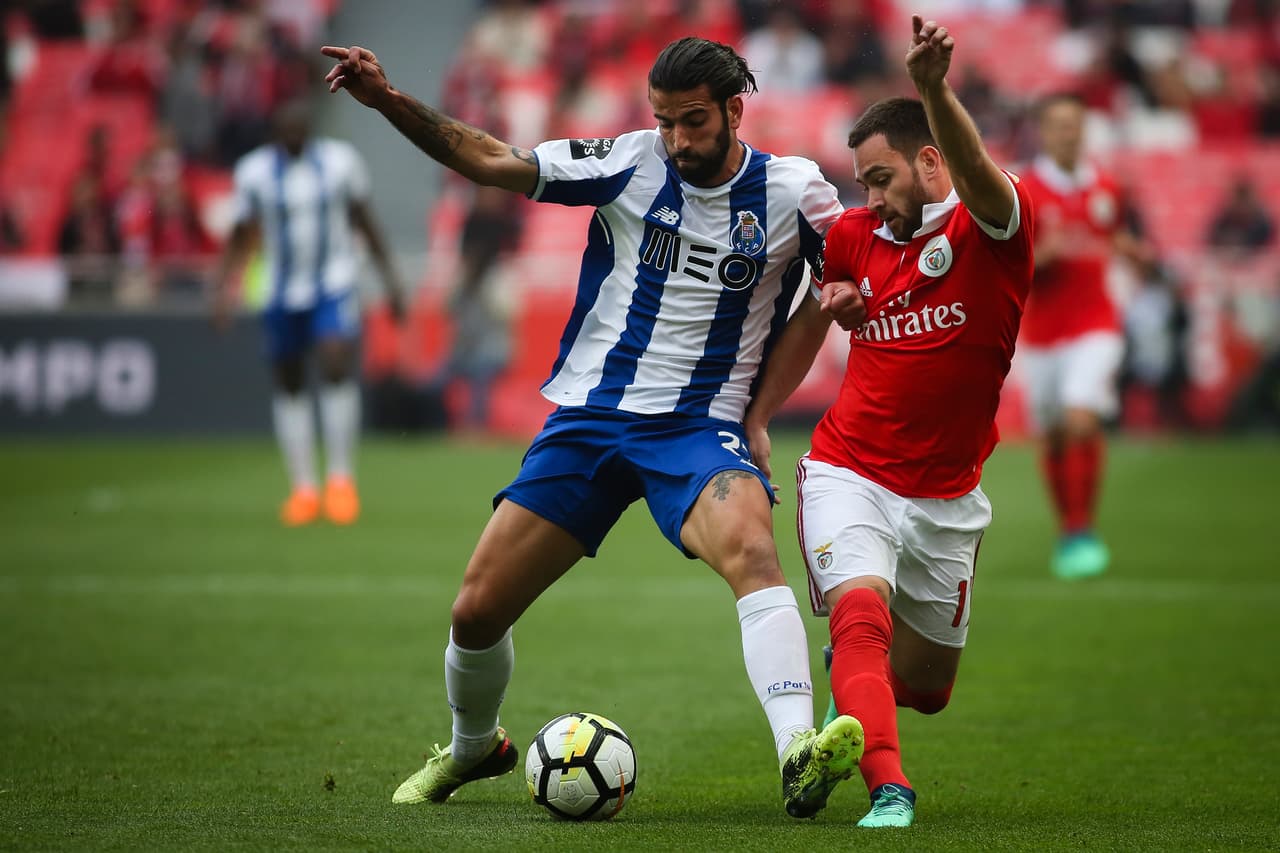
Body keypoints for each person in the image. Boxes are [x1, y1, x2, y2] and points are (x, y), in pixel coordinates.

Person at [322, 36, 864, 817]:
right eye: (665, 121)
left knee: (752, 550)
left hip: (697, 426)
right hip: (591, 418)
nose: (677, 140)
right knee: (475, 610)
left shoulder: (794, 192)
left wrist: (759, 412)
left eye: (694, 121)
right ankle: (473, 747)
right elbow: (491, 160)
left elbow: (841, 284)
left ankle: (796, 750)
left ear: (735, 111)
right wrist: (387, 100)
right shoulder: (629, 160)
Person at [742, 15, 1035, 828]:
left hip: (947, 494)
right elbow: (815, 317)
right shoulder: (852, 235)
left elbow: (978, 174)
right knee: (860, 615)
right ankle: (889, 788)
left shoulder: (993, 228)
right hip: (850, 469)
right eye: (861, 182)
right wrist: (763, 411)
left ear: (929, 162)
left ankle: (852, 681)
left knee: (929, 687)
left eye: (880, 179)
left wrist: (934, 89)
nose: (869, 198)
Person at [212, 99, 405, 527]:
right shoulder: (254, 172)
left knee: (335, 363)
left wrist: (390, 281)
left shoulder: (340, 163)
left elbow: (365, 220)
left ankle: (340, 480)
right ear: (276, 132)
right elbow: (241, 233)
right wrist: (222, 288)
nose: (296, 135)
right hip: (279, 289)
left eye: (302, 128)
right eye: (288, 129)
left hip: (332, 283)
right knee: (290, 381)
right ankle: (302, 488)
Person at [1016, 92, 1151, 580]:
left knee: (1080, 419)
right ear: (1043, 132)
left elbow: (1116, 237)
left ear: (1084, 129)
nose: (1067, 133)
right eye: (1057, 125)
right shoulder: (1024, 191)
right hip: (1042, 332)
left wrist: (1136, 254)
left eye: (1074, 124)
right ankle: (1068, 530)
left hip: (1096, 323)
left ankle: (1081, 530)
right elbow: (1005, 267)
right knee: (1054, 438)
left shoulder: (1108, 186)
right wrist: (1040, 258)